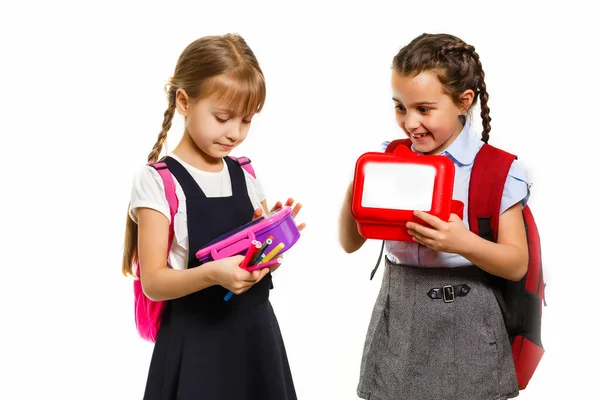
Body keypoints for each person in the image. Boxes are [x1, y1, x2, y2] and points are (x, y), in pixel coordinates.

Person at [339, 33, 530, 400]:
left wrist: (463, 243)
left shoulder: (497, 169)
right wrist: (356, 191)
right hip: (399, 316)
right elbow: (350, 243)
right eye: (400, 107)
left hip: (470, 319)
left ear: (463, 101)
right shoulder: (388, 158)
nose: (410, 123)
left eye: (424, 109)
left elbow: (516, 263)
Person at [122, 33, 304, 400]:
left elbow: (252, 259)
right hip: (196, 345)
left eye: (246, 121)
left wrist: (268, 250)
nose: (235, 133)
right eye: (223, 118)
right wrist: (214, 275)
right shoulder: (159, 181)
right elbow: (154, 282)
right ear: (185, 102)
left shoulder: (246, 173)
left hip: (256, 336)